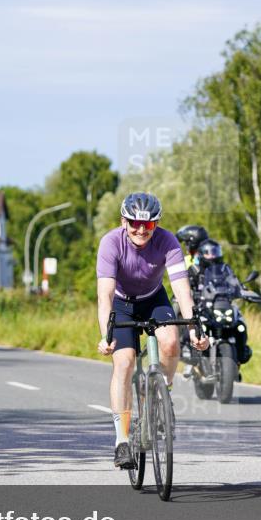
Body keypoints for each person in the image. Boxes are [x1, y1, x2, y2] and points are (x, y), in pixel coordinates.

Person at [96, 192, 209, 469]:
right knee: (124, 362)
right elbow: (105, 295)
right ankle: (122, 440)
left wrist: (193, 327)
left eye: (148, 225)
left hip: (154, 298)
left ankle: (163, 392)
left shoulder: (168, 241)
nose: (141, 230)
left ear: (156, 224)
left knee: (171, 343)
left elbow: (182, 289)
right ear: (124, 220)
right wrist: (106, 335)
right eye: (134, 223)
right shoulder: (111, 243)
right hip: (122, 304)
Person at [195, 239, 252, 364]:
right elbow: (187, 286)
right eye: (209, 253)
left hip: (223, 305)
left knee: (240, 325)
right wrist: (192, 294)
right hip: (205, 307)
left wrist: (243, 290)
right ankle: (191, 354)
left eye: (215, 252)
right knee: (196, 326)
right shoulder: (195, 271)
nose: (213, 255)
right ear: (201, 254)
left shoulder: (225, 270)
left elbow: (233, 282)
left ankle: (241, 351)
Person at [175, 225, 209, 291]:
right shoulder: (211, 257)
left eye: (187, 243)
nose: (186, 246)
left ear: (192, 243)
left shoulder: (186, 261)